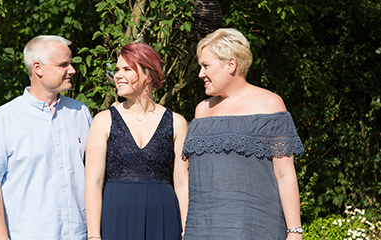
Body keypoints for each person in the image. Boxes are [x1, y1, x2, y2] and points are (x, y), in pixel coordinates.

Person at [181, 28, 305, 240]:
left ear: (231, 65)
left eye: (206, 66)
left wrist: (294, 231)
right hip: (203, 229)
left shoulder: (270, 104)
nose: (200, 74)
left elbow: (285, 174)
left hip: (256, 228)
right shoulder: (201, 110)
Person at [0, 35, 92, 240]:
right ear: (38, 68)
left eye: (70, 64)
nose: (72, 70)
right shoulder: (5, 119)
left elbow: (95, 175)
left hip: (79, 235)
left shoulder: (81, 112)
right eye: (63, 65)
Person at [84, 42, 188, 240]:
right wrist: (94, 236)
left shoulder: (177, 122)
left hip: (163, 216)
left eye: (126, 69)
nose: (117, 75)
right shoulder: (103, 120)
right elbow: (93, 183)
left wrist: (186, 229)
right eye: (117, 69)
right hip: (116, 216)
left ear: (148, 75)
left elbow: (182, 184)